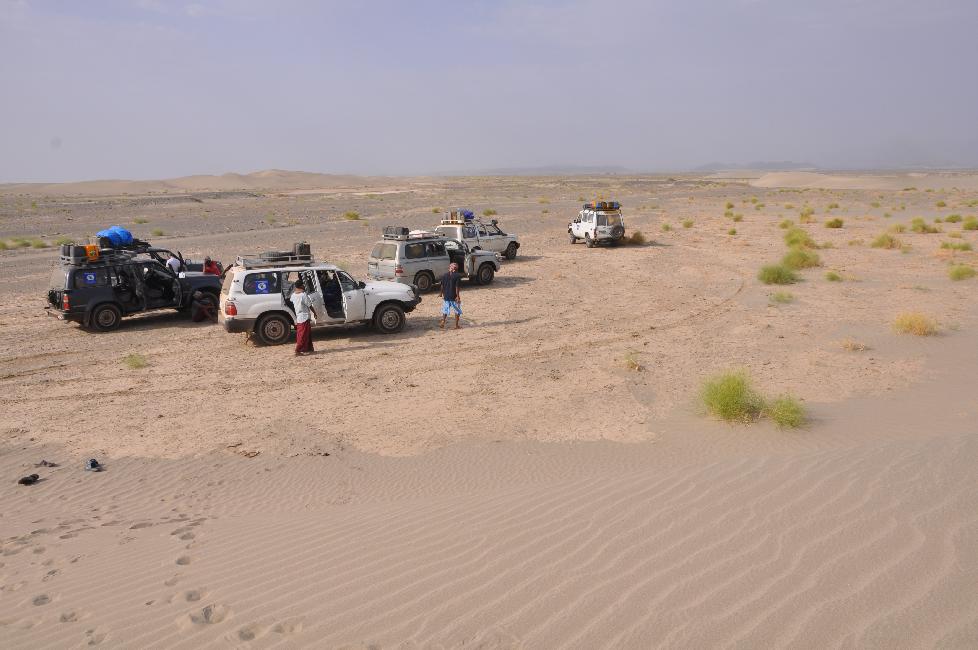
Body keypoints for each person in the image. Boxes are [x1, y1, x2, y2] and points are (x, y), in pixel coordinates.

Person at [290, 279, 319, 355]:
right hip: (304, 317)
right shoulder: (303, 295)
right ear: (301, 286)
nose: (304, 285)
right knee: (302, 335)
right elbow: (309, 305)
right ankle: (298, 350)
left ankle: (309, 348)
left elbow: (291, 300)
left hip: (299, 317)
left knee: (306, 334)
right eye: (303, 284)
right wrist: (315, 313)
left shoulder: (293, 295)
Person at [439, 262, 463, 330]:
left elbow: (442, 285)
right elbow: (457, 287)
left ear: (449, 268)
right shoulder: (457, 276)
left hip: (446, 296)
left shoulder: (444, 275)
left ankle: (443, 321)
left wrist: (441, 293)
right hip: (454, 296)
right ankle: (456, 325)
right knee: (457, 311)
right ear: (456, 268)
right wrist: (457, 296)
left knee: (445, 310)